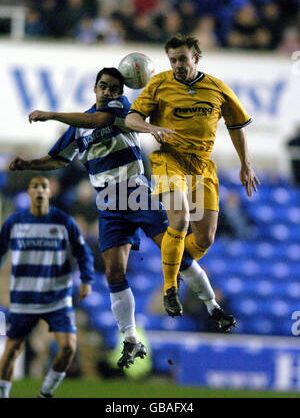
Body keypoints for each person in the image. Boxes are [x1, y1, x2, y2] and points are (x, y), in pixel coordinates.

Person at [9, 67, 236, 371]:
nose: (108, 92)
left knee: (176, 254)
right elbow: (59, 159)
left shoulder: (121, 110)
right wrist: (29, 164)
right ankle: (130, 338)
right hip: (108, 206)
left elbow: (96, 120)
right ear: (95, 87)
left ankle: (212, 305)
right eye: (103, 86)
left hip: (135, 194)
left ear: (120, 92)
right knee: (115, 273)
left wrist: (50, 115)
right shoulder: (77, 130)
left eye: (114, 88)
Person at [125, 34, 260, 317]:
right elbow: (131, 118)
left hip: (202, 166)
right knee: (180, 219)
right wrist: (151, 129)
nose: (177, 65)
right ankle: (170, 289)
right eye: (173, 60)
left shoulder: (217, 88)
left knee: (205, 239)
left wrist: (246, 163)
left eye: (182, 59)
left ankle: (174, 259)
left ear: (196, 58)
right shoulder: (160, 83)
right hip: (168, 160)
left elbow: (236, 126)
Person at [0, 176, 94, 398]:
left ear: (50, 193)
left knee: (68, 347)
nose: (41, 191)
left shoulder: (64, 222)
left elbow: (83, 252)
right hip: (25, 297)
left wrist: (87, 280)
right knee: (12, 349)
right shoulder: (15, 222)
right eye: (36, 187)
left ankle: (45, 393)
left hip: (56, 297)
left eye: (45, 187)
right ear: (29, 192)